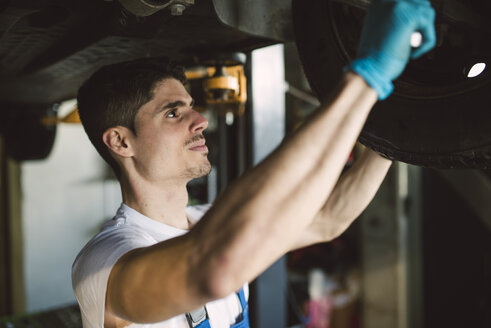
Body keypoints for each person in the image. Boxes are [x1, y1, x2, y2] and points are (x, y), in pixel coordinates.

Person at [72, 0, 436, 327]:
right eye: (173, 113)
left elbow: (328, 219)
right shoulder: (106, 261)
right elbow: (213, 268)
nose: (199, 120)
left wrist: (394, 123)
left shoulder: (206, 222)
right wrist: (366, 78)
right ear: (121, 141)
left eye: (190, 106)